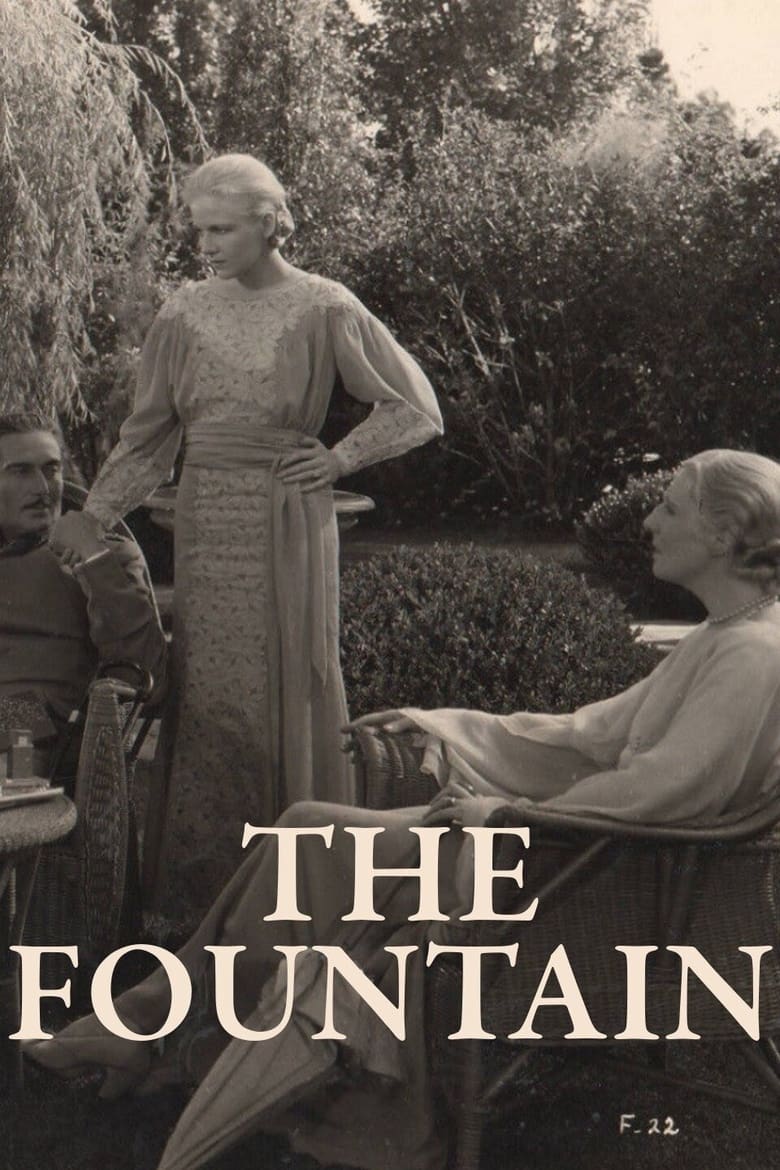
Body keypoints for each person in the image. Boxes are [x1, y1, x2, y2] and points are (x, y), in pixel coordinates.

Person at [26, 449, 780, 1170]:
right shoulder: (727, 636)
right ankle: (162, 1033)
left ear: (723, 533)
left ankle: (159, 1032)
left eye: (670, 509)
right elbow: (590, 738)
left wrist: (506, 814)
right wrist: (437, 725)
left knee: (309, 838)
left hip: (607, 891)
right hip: (581, 862)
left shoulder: (751, 653)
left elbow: (661, 791)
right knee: (308, 837)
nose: (648, 522)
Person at [49, 154, 443, 916]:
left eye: (222, 229)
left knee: (291, 681)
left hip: (288, 517)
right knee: (208, 689)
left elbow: (415, 406)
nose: (206, 246)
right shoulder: (184, 311)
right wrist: (92, 517)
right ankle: (204, 897)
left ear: (269, 225)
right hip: (206, 521)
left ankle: (294, 895)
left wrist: (338, 459)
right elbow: (148, 438)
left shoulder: (325, 305)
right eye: (200, 230)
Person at [0, 411, 166, 779]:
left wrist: (93, 557)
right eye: (21, 471)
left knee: (11, 751)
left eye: (51, 470)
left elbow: (149, 679)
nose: (43, 489)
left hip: (33, 733)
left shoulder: (106, 555)